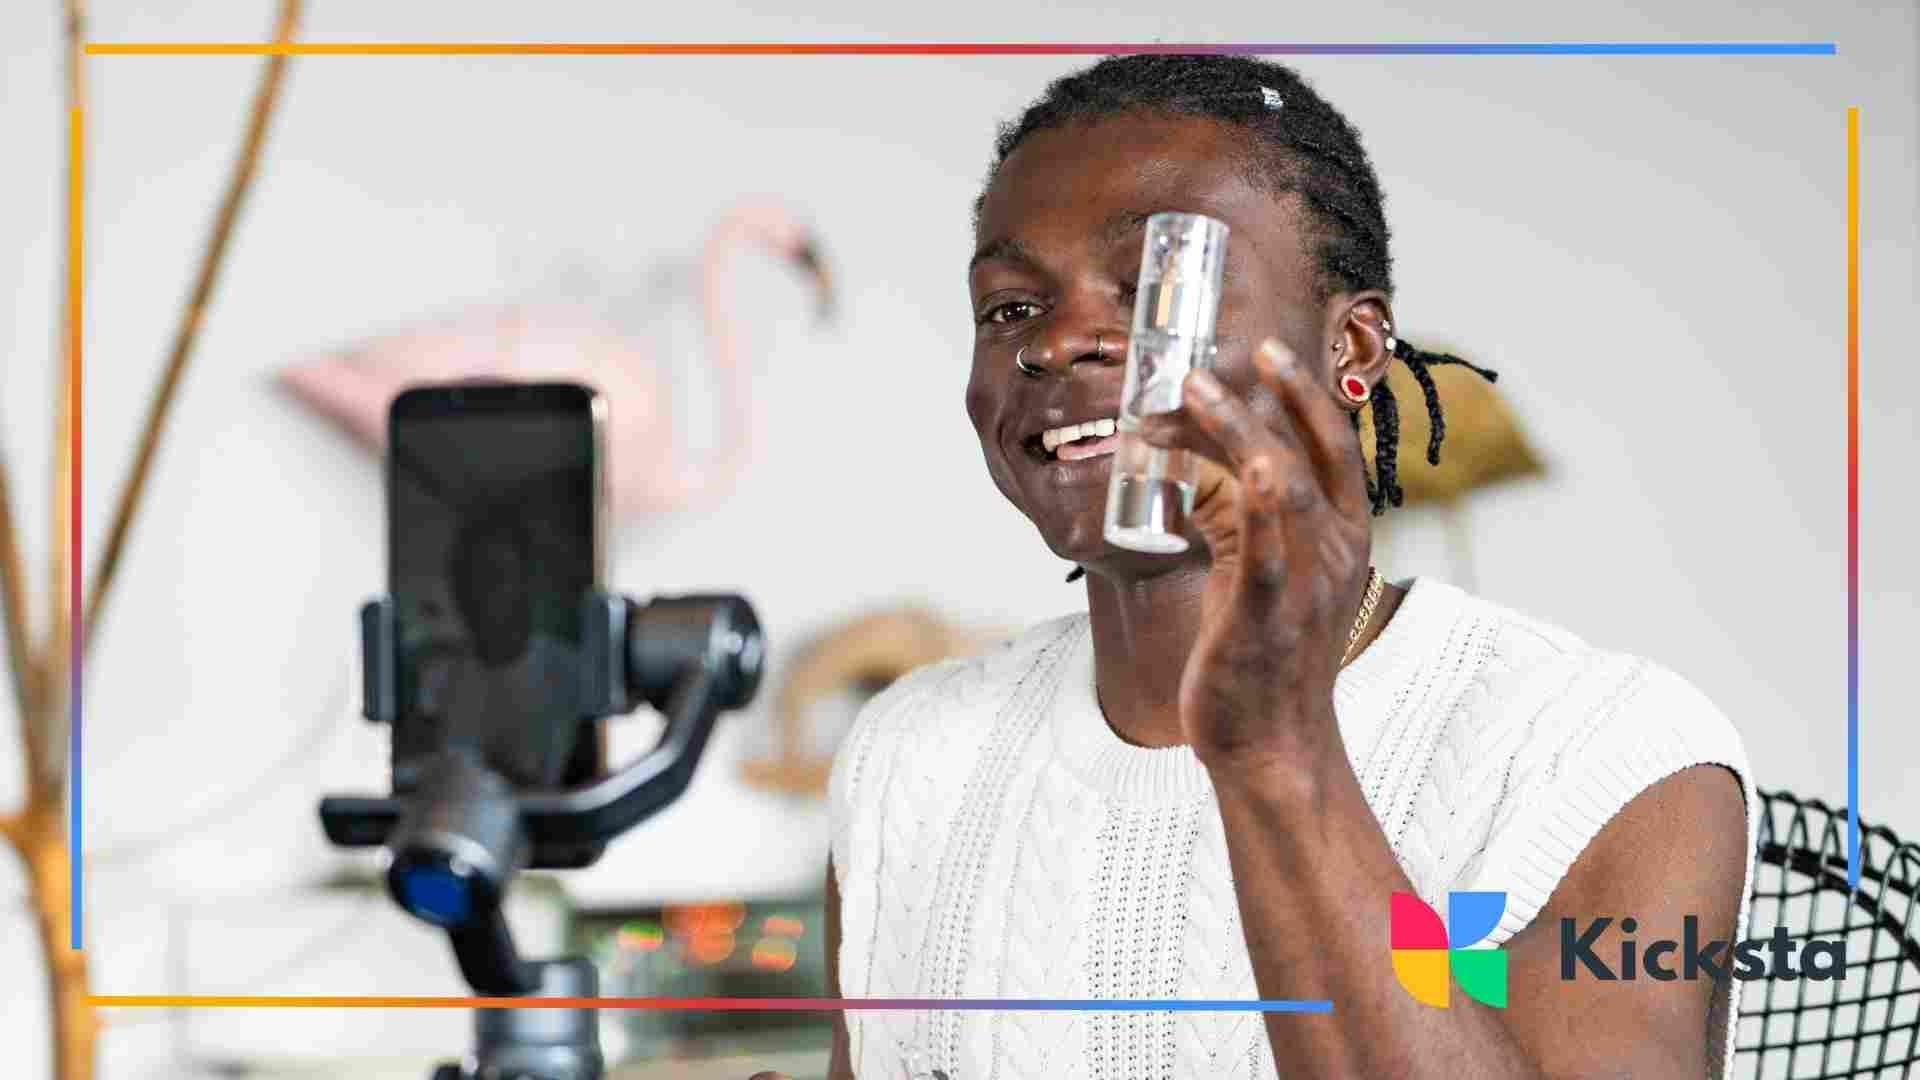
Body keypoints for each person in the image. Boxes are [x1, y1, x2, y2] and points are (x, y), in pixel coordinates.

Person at [761, 53, 1754, 1080]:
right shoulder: (908, 758)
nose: (1056, 343)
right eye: (1011, 307)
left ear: (1353, 349)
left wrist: (1279, 754)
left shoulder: (1606, 756)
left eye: (1158, 288)